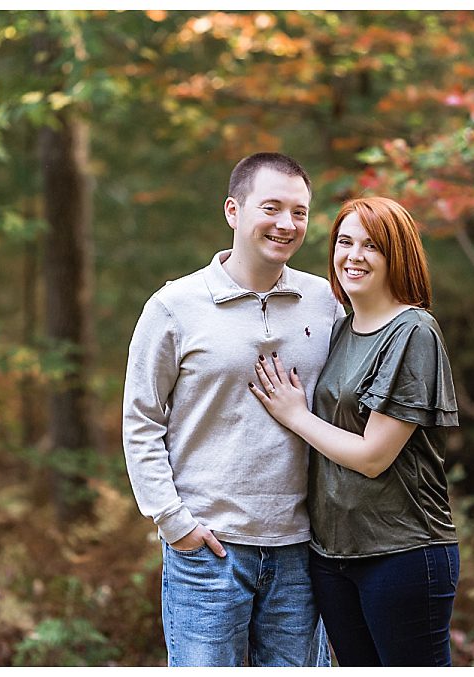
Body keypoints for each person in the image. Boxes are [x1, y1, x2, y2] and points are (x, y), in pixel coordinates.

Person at [122, 152, 339, 666]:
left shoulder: (325, 301)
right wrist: (174, 523)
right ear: (233, 211)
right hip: (209, 551)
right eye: (272, 208)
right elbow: (141, 420)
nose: (287, 224)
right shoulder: (174, 307)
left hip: (301, 551)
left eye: (300, 212)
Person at [249, 196, 461, 666]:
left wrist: (295, 414)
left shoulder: (413, 332)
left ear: (397, 256)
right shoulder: (341, 330)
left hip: (402, 552)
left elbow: (373, 456)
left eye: (372, 246)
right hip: (333, 556)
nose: (354, 256)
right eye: (345, 242)